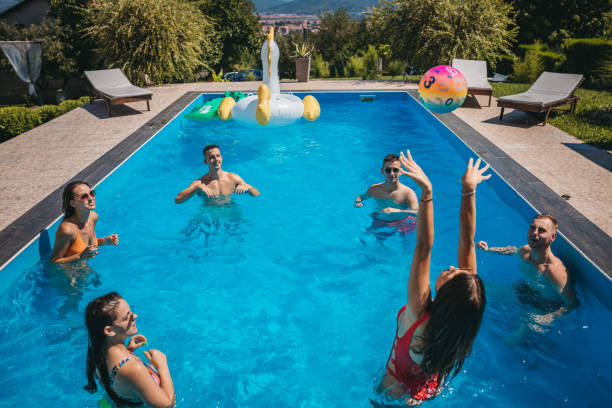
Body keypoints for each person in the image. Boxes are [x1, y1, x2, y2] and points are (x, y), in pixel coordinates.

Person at [379, 151, 489, 404]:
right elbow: (467, 242)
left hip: (395, 389)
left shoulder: (419, 313)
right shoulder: (465, 311)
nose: (452, 266)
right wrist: (468, 189)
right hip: (430, 385)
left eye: (451, 273)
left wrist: (427, 193)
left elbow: (423, 249)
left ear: (448, 293)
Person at [84, 292, 176, 407]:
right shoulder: (133, 369)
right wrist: (162, 364)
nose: (135, 316)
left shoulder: (96, 351)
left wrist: (127, 350)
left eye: (131, 311)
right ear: (109, 331)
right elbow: (167, 405)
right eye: (127, 317)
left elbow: (116, 377)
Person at [477, 214, 576, 306]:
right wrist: (488, 249)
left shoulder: (554, 271)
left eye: (541, 230)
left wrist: (547, 318)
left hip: (545, 305)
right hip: (525, 290)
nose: (534, 233)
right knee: (480, 290)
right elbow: (513, 250)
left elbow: (572, 304)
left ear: (553, 237)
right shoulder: (525, 251)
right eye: (532, 227)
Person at [51, 181, 118, 263]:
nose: (91, 198)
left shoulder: (93, 217)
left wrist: (104, 241)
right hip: (67, 271)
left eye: (91, 193)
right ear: (73, 203)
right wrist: (80, 256)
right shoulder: (67, 229)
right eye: (84, 197)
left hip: (83, 267)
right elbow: (54, 261)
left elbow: (85, 245)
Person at [355, 154, 419, 239]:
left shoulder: (408, 193)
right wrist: (358, 202)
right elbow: (361, 197)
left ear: (400, 172)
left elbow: (417, 212)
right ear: (382, 171)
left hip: (401, 222)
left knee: (405, 245)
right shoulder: (375, 189)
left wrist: (396, 211)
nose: (391, 173)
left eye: (395, 170)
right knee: (364, 237)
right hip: (381, 220)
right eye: (388, 170)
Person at [174, 144, 260, 204]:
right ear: (205, 161)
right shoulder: (200, 183)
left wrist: (248, 187)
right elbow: (177, 200)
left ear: (221, 157)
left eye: (218, 156)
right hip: (209, 212)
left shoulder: (234, 178)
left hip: (230, 209)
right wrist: (196, 188)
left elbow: (256, 194)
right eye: (211, 157)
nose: (216, 159)